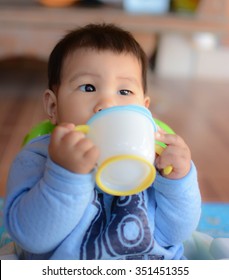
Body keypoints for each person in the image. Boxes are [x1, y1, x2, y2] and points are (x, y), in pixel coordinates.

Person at [4, 23, 201, 260]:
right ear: (54, 107)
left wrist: (178, 182)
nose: (107, 103)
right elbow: (31, 237)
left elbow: (174, 234)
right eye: (88, 87)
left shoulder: (155, 158)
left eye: (125, 92)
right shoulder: (38, 157)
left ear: (144, 109)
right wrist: (65, 175)